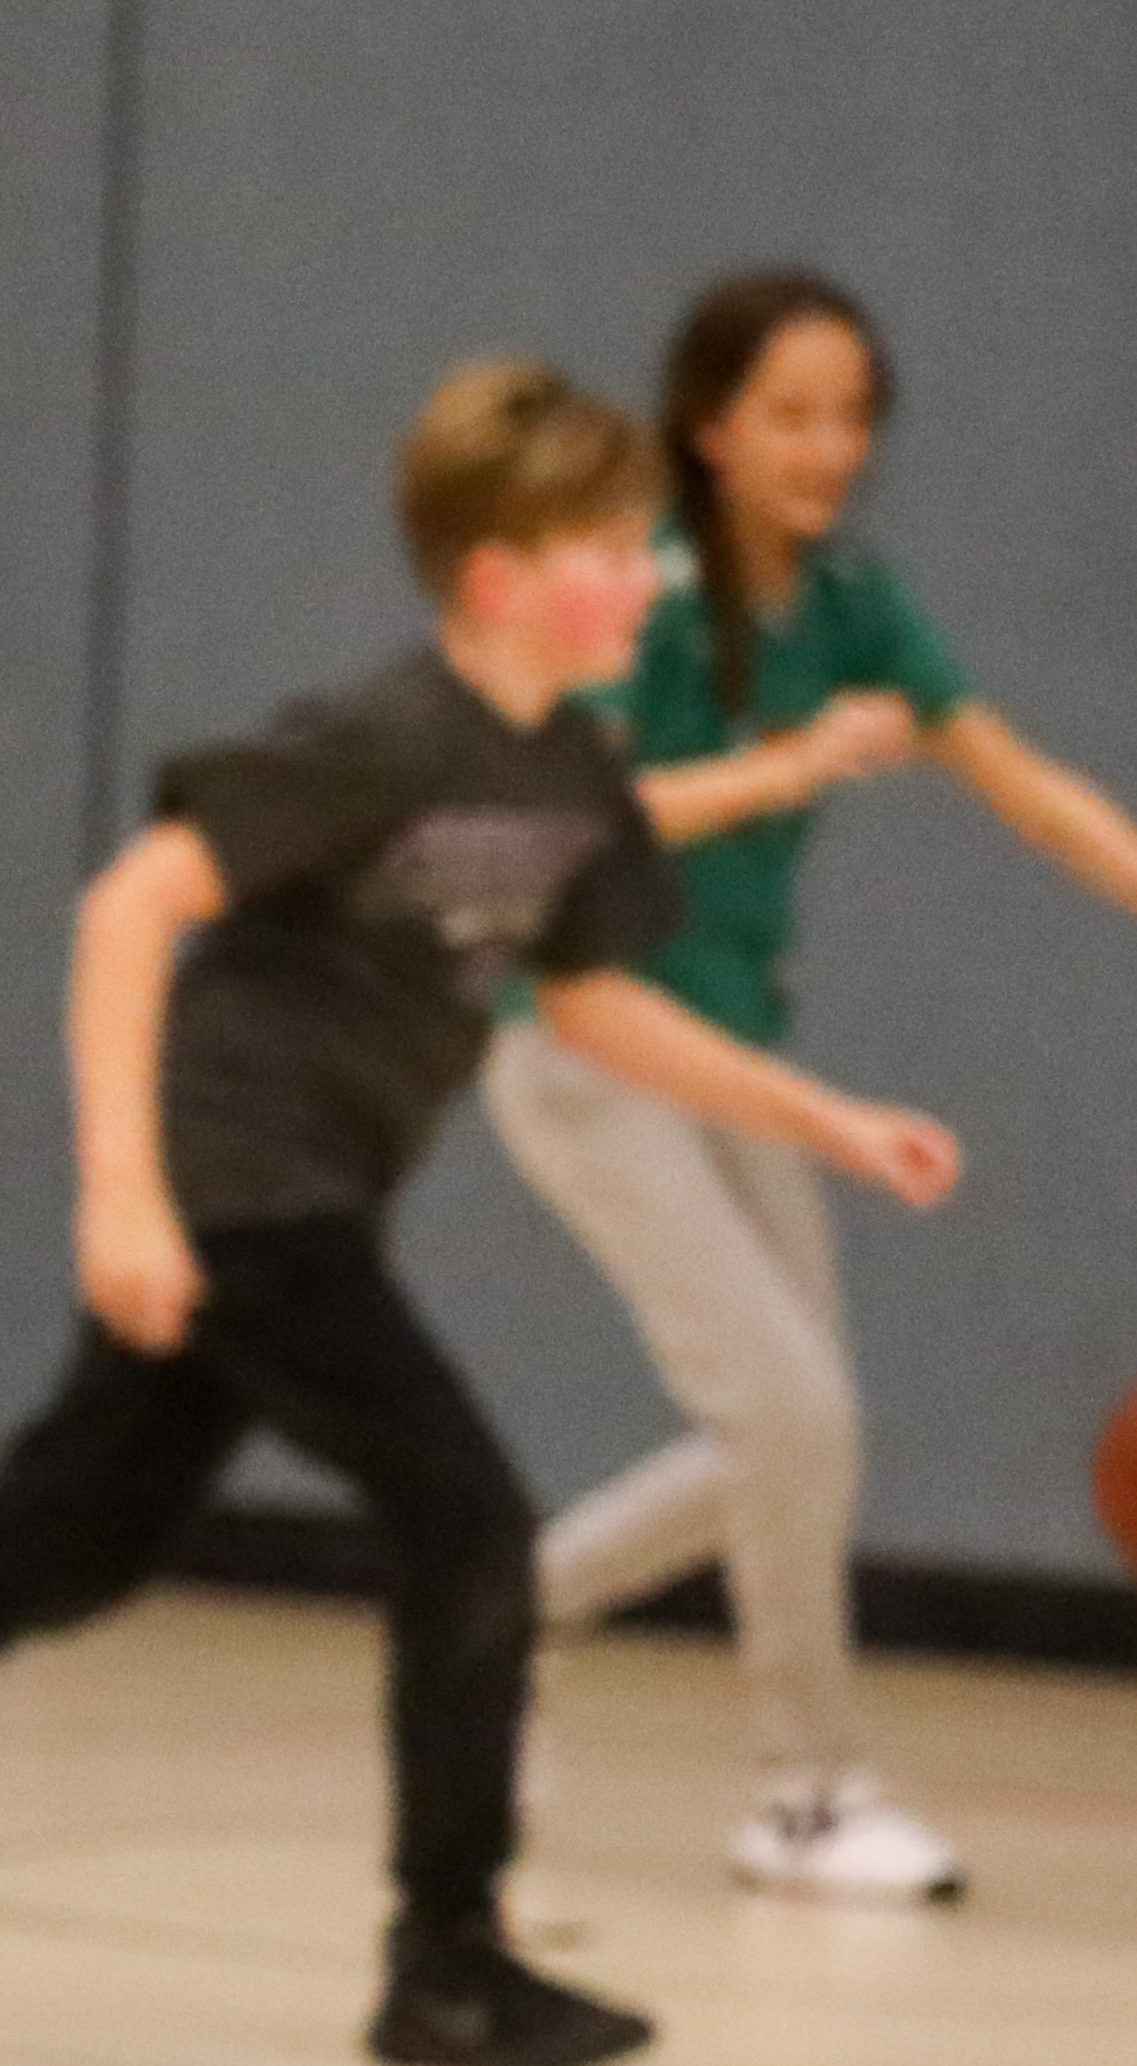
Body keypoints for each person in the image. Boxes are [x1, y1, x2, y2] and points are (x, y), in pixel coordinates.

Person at [0, 359, 961, 2066]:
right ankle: (449, 1960)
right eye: (616, 552)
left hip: (306, 1203)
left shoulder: (570, 771)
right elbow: (131, 909)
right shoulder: (383, 738)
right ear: (501, 576)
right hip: (243, 1196)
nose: (649, 581)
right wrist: (124, 1190)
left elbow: (592, 1001)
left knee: (66, 1542)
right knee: (468, 1525)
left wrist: (822, 1119)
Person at [484, 267, 1137, 1904]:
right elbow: (586, 817)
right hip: (587, 1039)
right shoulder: (639, 586)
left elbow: (1026, 788)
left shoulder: (853, 602)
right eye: (790, 413)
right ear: (710, 428)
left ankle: (511, 1613)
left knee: (801, 1440)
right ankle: (808, 1792)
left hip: (734, 1057)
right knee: (793, 1418)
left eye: (852, 414)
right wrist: (790, 763)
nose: (829, 445)